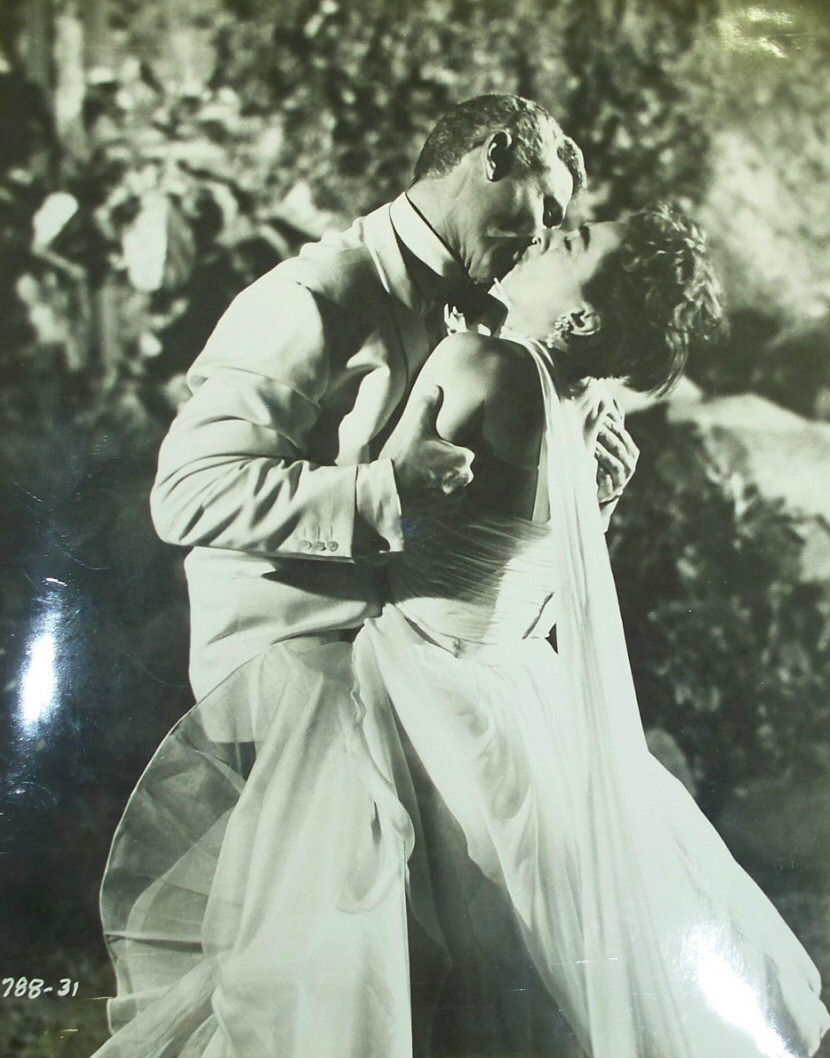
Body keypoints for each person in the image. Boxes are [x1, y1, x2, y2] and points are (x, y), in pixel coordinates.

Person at [93, 95, 635, 1058]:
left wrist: (578, 491)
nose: (543, 236)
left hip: (409, 686)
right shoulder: (313, 295)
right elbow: (185, 494)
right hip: (300, 683)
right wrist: (383, 491)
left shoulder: (479, 303)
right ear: (492, 156)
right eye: (541, 208)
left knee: (460, 976)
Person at [346, 202, 830, 1057]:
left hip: (421, 670)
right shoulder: (584, 404)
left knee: (409, 955)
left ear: (581, 316)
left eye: (571, 241)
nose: (548, 233)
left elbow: (368, 517)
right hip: (515, 684)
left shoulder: (481, 363)